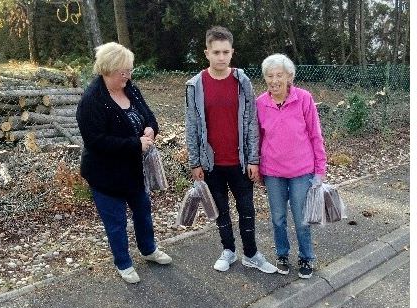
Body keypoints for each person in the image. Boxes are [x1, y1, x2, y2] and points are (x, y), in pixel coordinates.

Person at [76, 42, 172, 284]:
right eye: (124, 71)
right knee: (116, 223)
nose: (128, 76)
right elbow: (96, 141)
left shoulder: (130, 88)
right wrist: (135, 144)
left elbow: (148, 115)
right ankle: (123, 263)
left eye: (130, 70)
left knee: (143, 212)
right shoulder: (91, 101)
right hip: (105, 175)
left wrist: (151, 128)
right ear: (108, 69)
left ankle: (148, 250)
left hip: (133, 172)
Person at [185, 26, 277, 274]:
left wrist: (254, 159)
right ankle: (228, 250)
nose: (221, 57)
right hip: (211, 164)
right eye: (216, 52)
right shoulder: (195, 85)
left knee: (247, 209)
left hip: (240, 161)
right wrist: (195, 162)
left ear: (232, 52)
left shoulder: (242, 81)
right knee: (220, 210)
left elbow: (250, 122)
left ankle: (251, 253)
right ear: (207, 53)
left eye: (226, 52)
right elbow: (192, 125)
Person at [256, 53, 327, 279]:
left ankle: (307, 257)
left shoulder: (304, 98)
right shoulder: (260, 103)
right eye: (270, 76)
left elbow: (316, 135)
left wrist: (320, 169)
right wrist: (256, 166)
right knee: (277, 218)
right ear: (265, 78)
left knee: (301, 218)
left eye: (279, 75)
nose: (274, 80)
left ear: (289, 76)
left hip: (301, 171)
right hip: (273, 171)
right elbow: (256, 138)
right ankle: (282, 254)